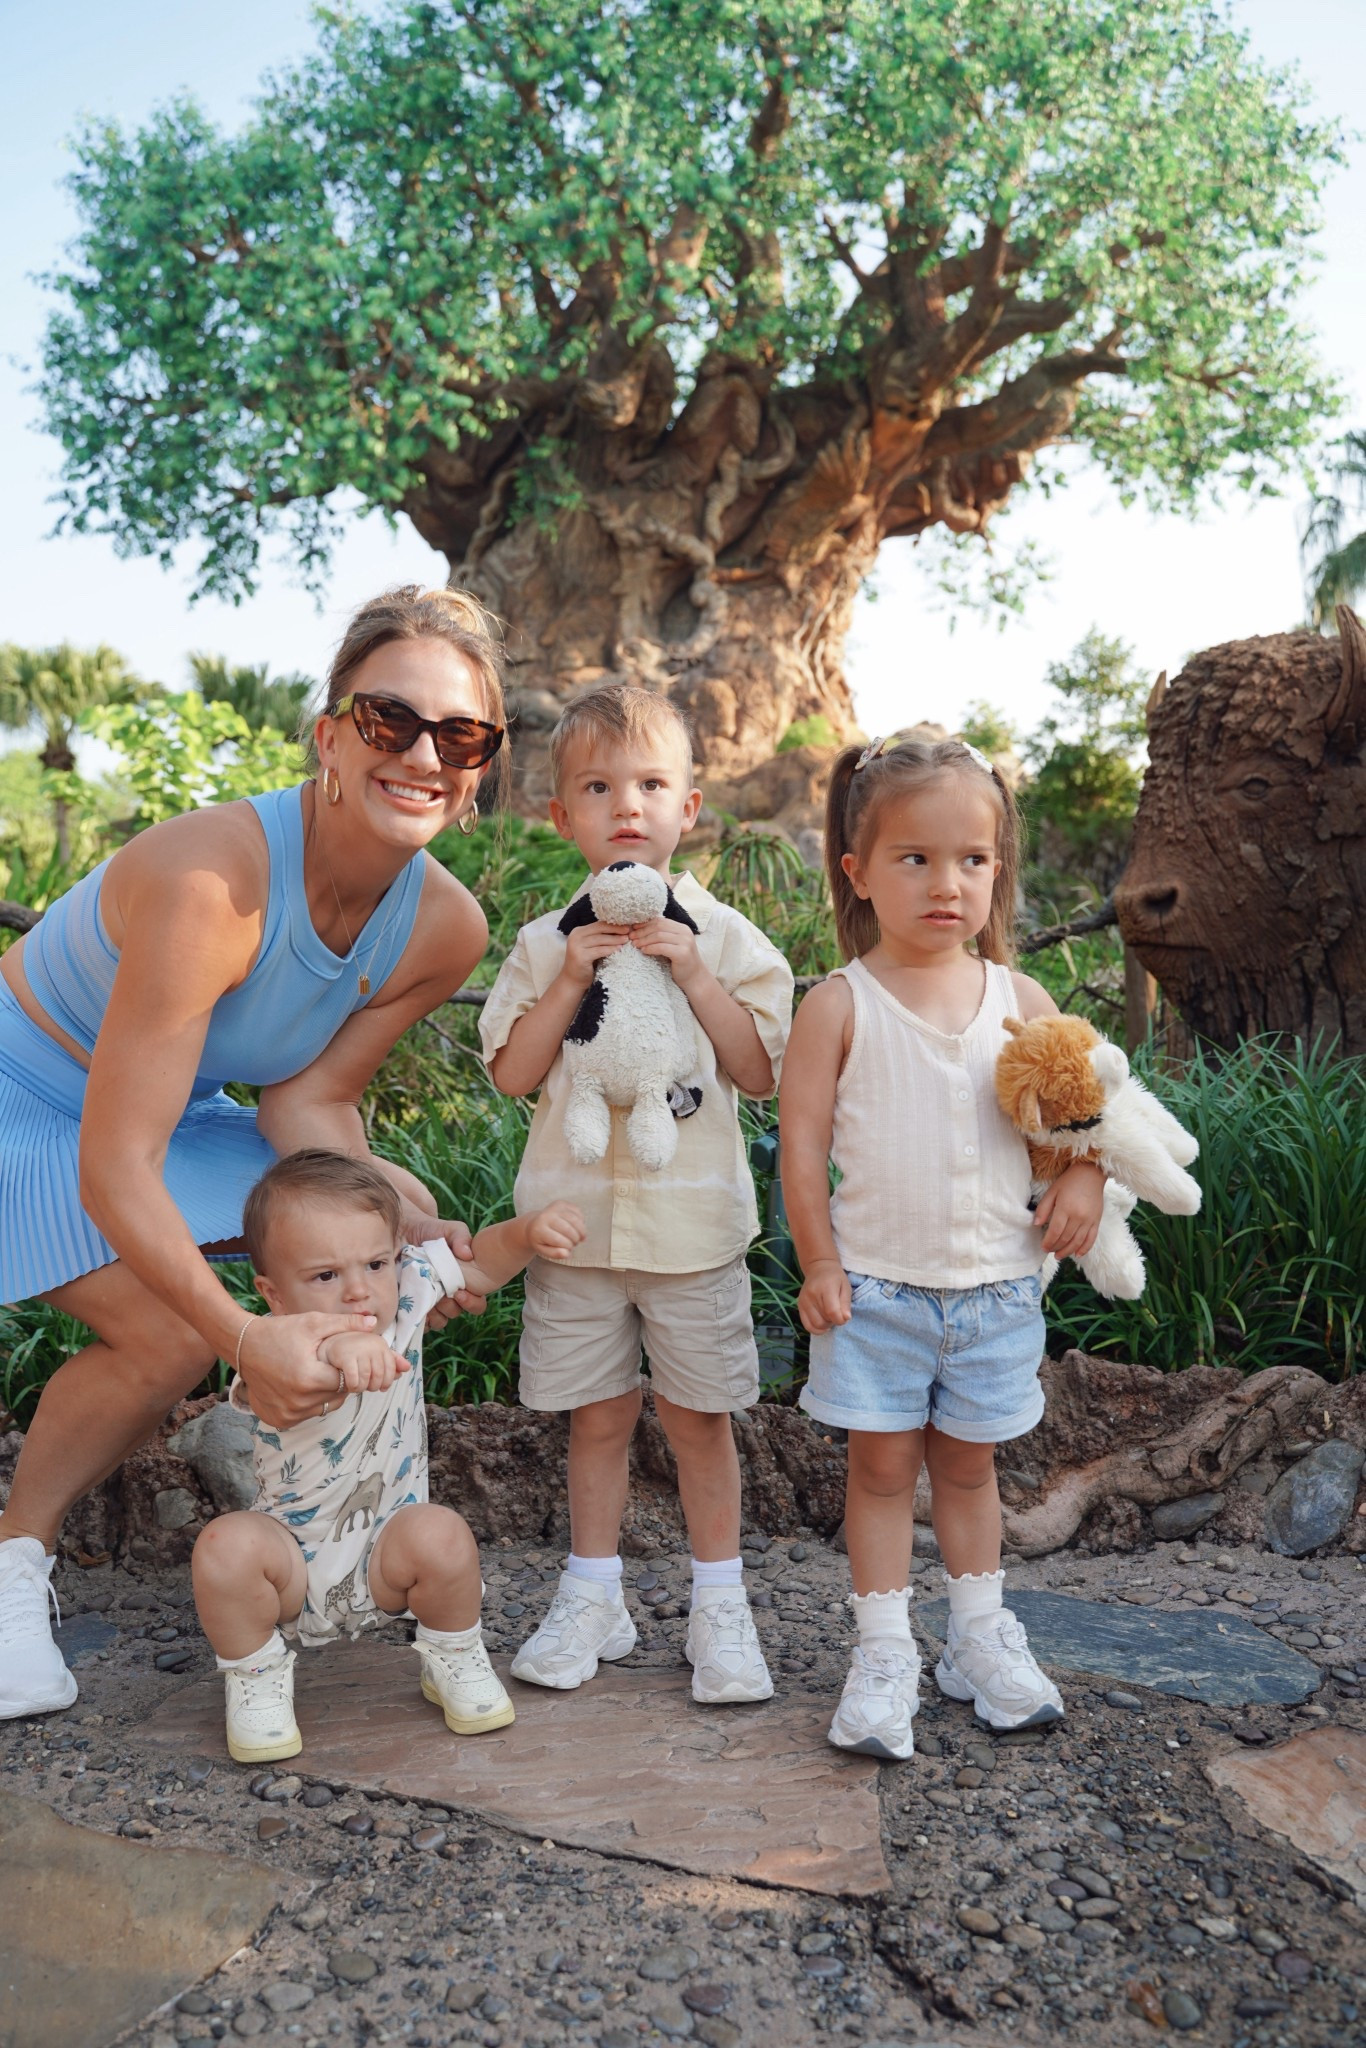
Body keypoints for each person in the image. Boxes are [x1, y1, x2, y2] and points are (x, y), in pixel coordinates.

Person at [0, 585, 507, 1721]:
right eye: (390, 721)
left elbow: (312, 1099)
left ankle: (280, 1473)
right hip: (20, 1100)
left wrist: (411, 1234)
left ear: (477, 769)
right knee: (175, 1326)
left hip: (166, 1113)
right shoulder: (212, 881)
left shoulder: (443, 926)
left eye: (461, 735)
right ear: (328, 736)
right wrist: (242, 1331)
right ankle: (11, 1560)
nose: (424, 753)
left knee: (376, 1220)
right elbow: (112, 1161)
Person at [779, 736, 1105, 1759]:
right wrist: (819, 1261)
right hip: (874, 1291)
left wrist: (1084, 1176)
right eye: (913, 858)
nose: (944, 881)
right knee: (878, 1470)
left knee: (968, 1472)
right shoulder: (838, 1003)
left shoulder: (1024, 1004)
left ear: (995, 870)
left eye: (970, 858)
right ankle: (883, 1650)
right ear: (859, 872)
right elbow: (798, 1148)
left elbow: (1080, 1124)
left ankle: (976, 1635)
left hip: (996, 1292)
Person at [479, 684, 793, 1705]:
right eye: (598, 786)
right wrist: (569, 978)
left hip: (693, 1227)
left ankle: (719, 1603)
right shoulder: (542, 940)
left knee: (701, 1420)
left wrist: (696, 973)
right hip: (576, 1229)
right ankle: (593, 1591)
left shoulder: (727, 935)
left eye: (650, 783)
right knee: (596, 1419)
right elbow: (515, 1072)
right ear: (559, 813)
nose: (627, 803)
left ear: (688, 806)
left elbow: (757, 1068)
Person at [195, 1149, 584, 1762]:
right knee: (223, 1548)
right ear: (272, 1294)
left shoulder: (402, 1301)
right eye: (325, 1277)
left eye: (375, 1263)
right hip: (291, 1566)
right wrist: (341, 1347)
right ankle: (255, 1678)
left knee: (444, 1533)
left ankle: (452, 1654)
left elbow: (478, 1263)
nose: (358, 1290)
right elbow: (286, 1393)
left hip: (386, 1554)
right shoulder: (275, 1358)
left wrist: (528, 1232)